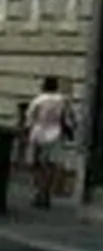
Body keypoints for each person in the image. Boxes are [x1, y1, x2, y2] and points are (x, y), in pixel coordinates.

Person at [24, 77, 68, 208]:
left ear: (44, 86)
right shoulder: (62, 100)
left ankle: (39, 192)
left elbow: (30, 117)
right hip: (55, 133)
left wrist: (27, 131)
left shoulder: (38, 100)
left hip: (39, 133)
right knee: (50, 164)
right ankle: (46, 192)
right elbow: (65, 117)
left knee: (37, 164)